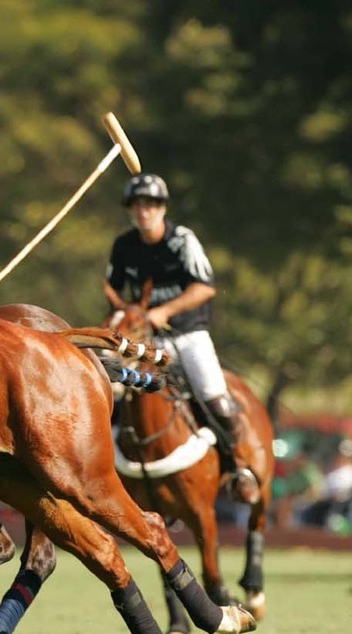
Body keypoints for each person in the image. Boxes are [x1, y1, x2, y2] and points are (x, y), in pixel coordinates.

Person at [103, 172, 260, 504]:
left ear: (162, 208)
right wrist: (125, 313)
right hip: (143, 340)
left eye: (150, 204)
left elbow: (204, 286)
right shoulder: (124, 246)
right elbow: (112, 289)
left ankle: (238, 468)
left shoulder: (182, 240)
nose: (143, 211)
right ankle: (107, 473)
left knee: (214, 398)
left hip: (188, 334)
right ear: (131, 211)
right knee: (111, 395)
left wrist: (165, 311)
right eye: (137, 205)